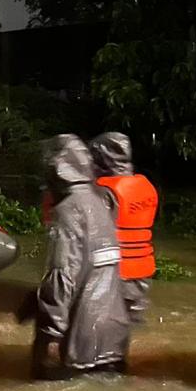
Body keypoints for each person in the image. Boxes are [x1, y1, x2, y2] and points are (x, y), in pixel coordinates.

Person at [32, 134, 130, 378]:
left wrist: (51, 335)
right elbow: (95, 266)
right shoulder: (103, 201)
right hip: (115, 337)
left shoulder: (68, 211)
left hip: (81, 344)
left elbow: (62, 274)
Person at [90, 132, 159, 323]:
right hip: (143, 267)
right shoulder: (145, 185)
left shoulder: (104, 191)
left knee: (102, 323)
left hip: (115, 269)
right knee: (131, 321)